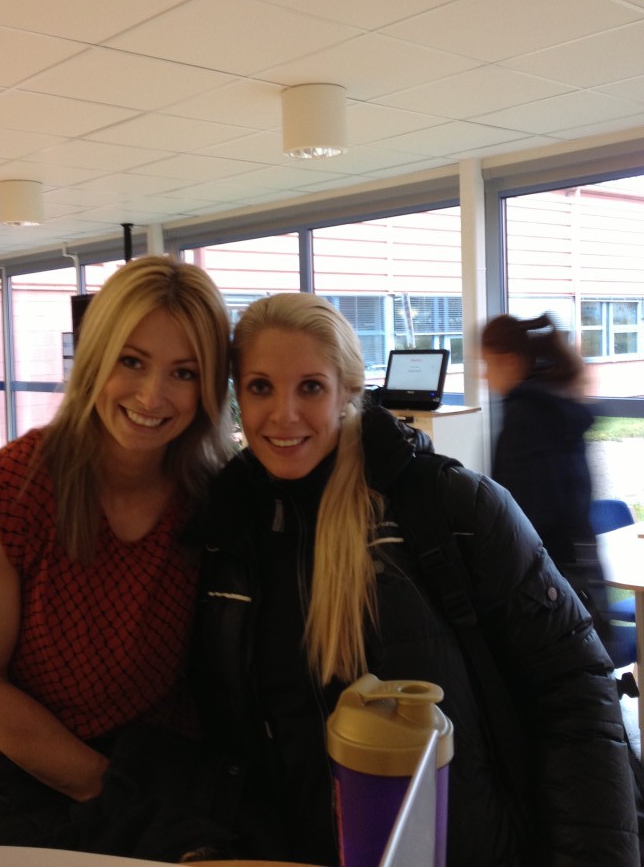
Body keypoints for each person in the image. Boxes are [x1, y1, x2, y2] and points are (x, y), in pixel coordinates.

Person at [188, 293, 639, 867]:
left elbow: (574, 694)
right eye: (260, 387)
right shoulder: (221, 535)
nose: (284, 414)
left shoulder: (452, 508)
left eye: (311, 387)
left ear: (348, 390)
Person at [0, 254, 234, 867]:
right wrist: (106, 788)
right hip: (13, 765)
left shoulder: (211, 498)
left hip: (159, 756)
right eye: (131, 361)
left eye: (184, 372)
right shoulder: (3, 493)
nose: (152, 395)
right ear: (94, 358)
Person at [479, 312, 620, 657]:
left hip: (548, 593)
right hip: (579, 574)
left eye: (487, 364)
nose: (484, 375)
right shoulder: (556, 408)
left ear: (510, 362)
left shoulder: (526, 420)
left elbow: (519, 521)